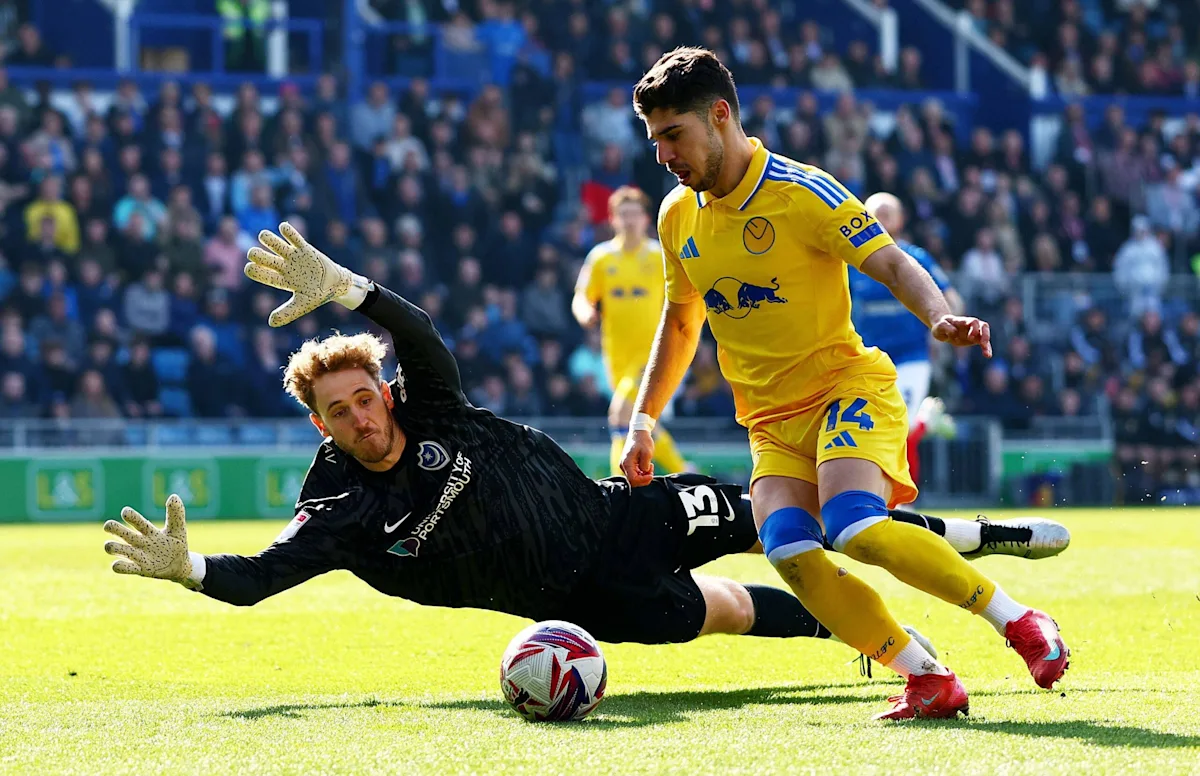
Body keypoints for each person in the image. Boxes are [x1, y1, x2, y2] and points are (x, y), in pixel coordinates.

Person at [102, 224, 1068, 656]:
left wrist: (352, 290)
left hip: (624, 513)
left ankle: (976, 535)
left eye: (366, 397)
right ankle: (869, 636)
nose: (362, 416)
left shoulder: (427, 405)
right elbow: (260, 577)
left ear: (383, 393)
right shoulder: (339, 510)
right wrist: (191, 570)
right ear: (320, 426)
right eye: (340, 412)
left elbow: (421, 333)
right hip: (582, 602)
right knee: (736, 610)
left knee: (796, 525)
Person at [621, 47, 1070, 720]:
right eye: (654, 139)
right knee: (789, 551)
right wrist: (642, 421)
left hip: (844, 389)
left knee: (856, 527)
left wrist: (938, 316)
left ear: (719, 116)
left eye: (673, 135)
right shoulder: (675, 215)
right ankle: (927, 677)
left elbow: (890, 262)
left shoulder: (802, 190)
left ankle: (1020, 621)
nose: (662, 155)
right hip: (771, 421)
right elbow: (681, 324)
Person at [848, 192, 960, 501]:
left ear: (901, 220)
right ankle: (926, 423)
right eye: (875, 212)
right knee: (873, 430)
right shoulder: (851, 261)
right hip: (868, 358)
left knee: (903, 428)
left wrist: (948, 327)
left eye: (888, 213)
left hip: (911, 356)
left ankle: (899, 499)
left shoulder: (915, 257)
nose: (881, 218)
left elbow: (950, 297)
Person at [573, 186, 690, 476]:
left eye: (634, 214)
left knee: (620, 414)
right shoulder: (601, 258)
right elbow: (581, 296)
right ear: (612, 219)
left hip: (652, 353)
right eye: (623, 214)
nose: (629, 220)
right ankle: (685, 469)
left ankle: (619, 482)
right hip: (616, 356)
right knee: (641, 421)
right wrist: (585, 312)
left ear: (646, 218)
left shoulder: (659, 256)